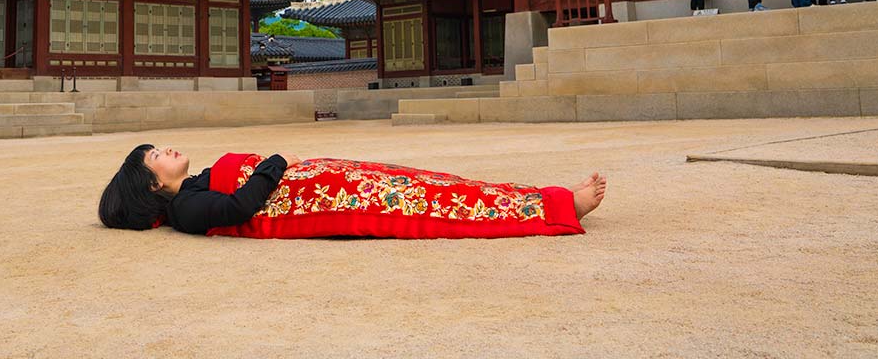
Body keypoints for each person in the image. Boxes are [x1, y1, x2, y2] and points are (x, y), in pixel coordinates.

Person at [99, 145, 606, 238]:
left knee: (435, 184)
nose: (166, 149)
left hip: (328, 178)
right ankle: (559, 206)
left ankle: (545, 195)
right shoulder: (188, 207)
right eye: (155, 156)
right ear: (153, 183)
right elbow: (238, 207)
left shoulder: (197, 180)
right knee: (437, 205)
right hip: (334, 198)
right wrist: (276, 163)